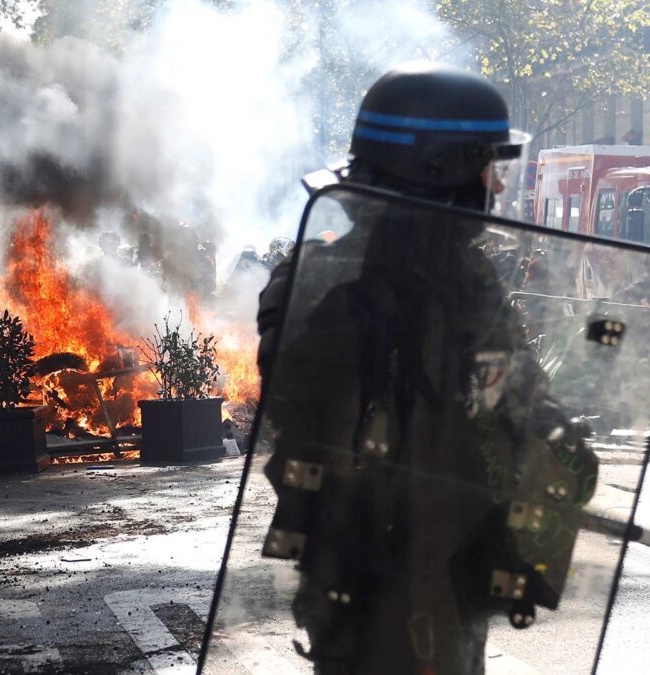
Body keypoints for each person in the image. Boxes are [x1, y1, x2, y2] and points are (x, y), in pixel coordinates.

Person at [254, 63, 597, 673]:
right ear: (439, 172)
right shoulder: (341, 288)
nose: (495, 191)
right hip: (386, 581)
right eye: (486, 169)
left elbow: (510, 404)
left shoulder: (451, 281)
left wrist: (554, 443)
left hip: (421, 579)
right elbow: (316, 419)